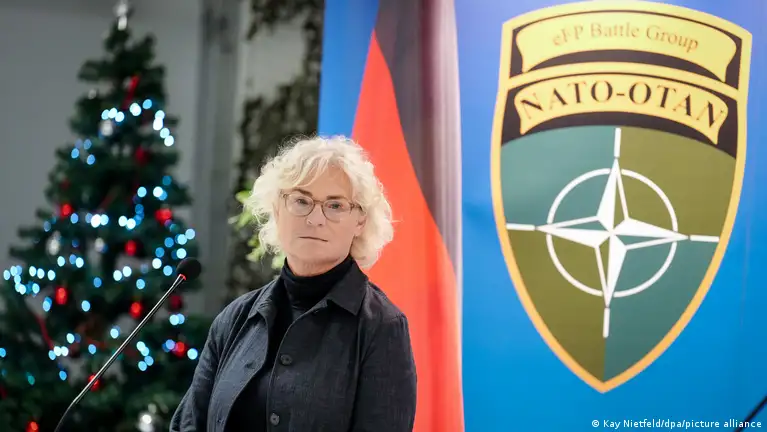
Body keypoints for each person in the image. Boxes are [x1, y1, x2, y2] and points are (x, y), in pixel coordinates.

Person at [170, 136, 417, 431]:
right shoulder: (235, 318)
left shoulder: (382, 326)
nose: (315, 219)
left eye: (335, 205)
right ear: (277, 209)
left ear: (360, 221)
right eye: (301, 201)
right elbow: (188, 425)